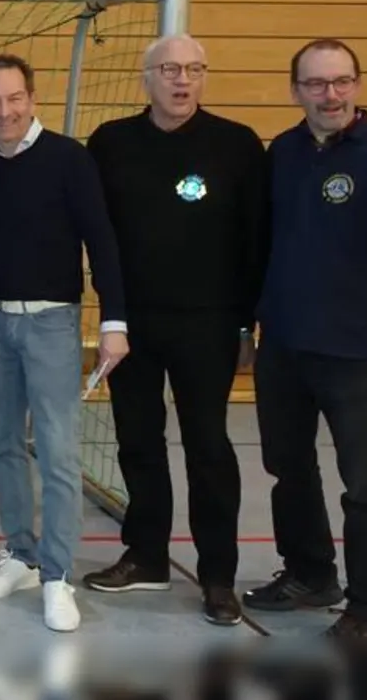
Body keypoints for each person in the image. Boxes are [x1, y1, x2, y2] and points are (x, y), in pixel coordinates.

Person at [0, 53, 129, 634]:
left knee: (58, 452)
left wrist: (114, 323)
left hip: (51, 324)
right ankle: (21, 554)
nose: (4, 111)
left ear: (32, 98)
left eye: (14, 98)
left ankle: (56, 575)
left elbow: (101, 240)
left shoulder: (69, 160)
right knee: (2, 445)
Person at [83, 35, 266, 627]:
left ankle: (218, 576)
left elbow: (254, 240)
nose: (181, 80)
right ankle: (147, 556)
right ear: (147, 78)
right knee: (137, 441)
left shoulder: (236, 146)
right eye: (169, 69)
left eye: (192, 70)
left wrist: (246, 324)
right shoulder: (110, 143)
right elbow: (95, 233)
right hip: (131, 324)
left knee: (208, 447)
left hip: (208, 324)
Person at [246, 38, 367, 638]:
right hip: (283, 343)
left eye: (340, 82)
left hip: (355, 349)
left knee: (364, 483)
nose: (329, 95)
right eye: (315, 84)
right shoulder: (280, 153)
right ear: (295, 91)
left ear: (357, 86)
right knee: (289, 467)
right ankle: (311, 574)